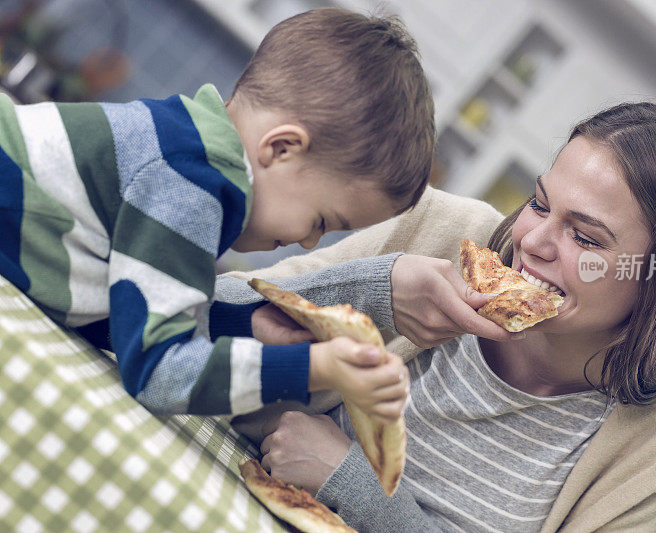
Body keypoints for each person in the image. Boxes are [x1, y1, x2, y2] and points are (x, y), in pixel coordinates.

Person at [217, 102, 656, 532]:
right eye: (541, 204)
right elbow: (188, 316)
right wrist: (377, 290)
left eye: (585, 237)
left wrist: (355, 486)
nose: (533, 242)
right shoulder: (443, 231)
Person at [0, 8, 440, 422]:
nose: (309, 242)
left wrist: (243, 322)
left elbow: (124, 306)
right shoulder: (193, 182)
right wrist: (313, 368)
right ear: (281, 148)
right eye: (322, 221)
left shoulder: (188, 145)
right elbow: (156, 369)